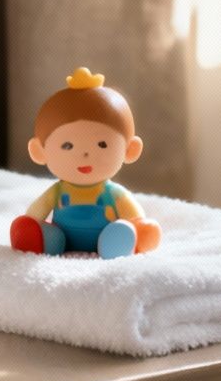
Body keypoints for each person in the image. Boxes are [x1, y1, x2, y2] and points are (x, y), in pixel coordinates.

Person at [9, 67, 163, 259]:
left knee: (128, 228)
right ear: (39, 152)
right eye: (67, 146)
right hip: (62, 238)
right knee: (37, 230)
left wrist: (138, 225)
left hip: (106, 235)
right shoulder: (56, 192)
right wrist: (30, 223)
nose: (85, 154)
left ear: (130, 150)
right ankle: (41, 240)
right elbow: (34, 214)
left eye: (102, 144)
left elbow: (135, 216)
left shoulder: (113, 194)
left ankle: (122, 241)